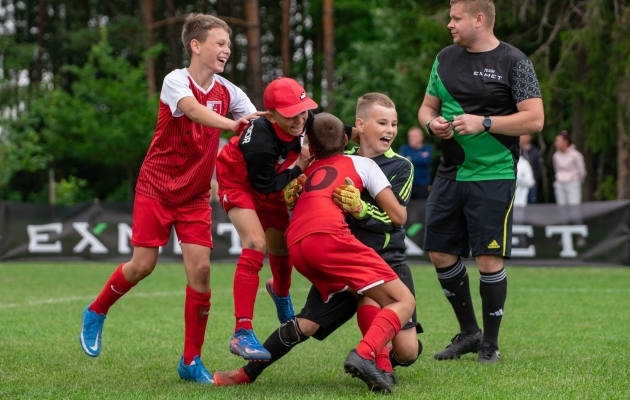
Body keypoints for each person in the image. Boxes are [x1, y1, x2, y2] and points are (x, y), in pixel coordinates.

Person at [78, 13, 262, 385]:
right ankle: (96, 311)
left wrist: (300, 136)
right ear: (196, 46)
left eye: (229, 43)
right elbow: (193, 110)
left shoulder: (231, 93)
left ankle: (190, 361)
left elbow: (259, 124)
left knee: (202, 271)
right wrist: (230, 125)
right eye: (220, 43)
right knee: (143, 265)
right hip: (157, 188)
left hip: (194, 196)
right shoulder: (175, 80)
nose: (227, 49)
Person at [213, 93, 423, 391]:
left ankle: (382, 356)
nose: (389, 129)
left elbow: (396, 218)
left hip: (366, 253)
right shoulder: (353, 161)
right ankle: (371, 359)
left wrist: (358, 208)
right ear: (358, 127)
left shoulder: (398, 165)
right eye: (382, 122)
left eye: (394, 124)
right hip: (340, 250)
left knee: (406, 350)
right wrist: (294, 193)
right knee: (391, 300)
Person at [418, 0, 544, 364]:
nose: (449, 25)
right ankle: (469, 332)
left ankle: (490, 343)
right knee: (440, 252)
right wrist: (432, 124)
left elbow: (534, 120)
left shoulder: (515, 62)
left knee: (487, 259)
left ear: (479, 19)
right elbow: (427, 107)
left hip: (494, 174)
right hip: (451, 171)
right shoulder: (445, 57)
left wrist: (484, 122)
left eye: (455, 18)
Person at [215, 77, 317, 362]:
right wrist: (298, 168)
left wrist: (367, 133)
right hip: (239, 183)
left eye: (303, 110)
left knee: (283, 249)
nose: (299, 119)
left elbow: (337, 132)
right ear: (270, 115)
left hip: (270, 181)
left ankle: (280, 292)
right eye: (290, 114)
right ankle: (242, 332)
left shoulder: (304, 118)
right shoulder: (259, 141)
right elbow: (264, 184)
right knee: (256, 243)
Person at [398, 126, 433, 199]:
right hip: (406, 185)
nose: (411, 138)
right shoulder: (404, 148)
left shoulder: (427, 148)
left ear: (421, 137)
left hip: (422, 185)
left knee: (421, 207)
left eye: (414, 136)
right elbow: (403, 163)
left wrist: (410, 158)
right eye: (409, 136)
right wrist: (419, 158)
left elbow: (426, 161)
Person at [553, 130, 586, 205]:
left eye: (558, 141)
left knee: (574, 209)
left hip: (573, 184)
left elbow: (582, 171)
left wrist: (576, 181)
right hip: (560, 184)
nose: (556, 143)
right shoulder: (556, 156)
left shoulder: (576, 155)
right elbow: (556, 169)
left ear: (565, 142)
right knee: (562, 208)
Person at [519, 134, 543, 203]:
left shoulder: (535, 152)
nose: (521, 137)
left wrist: (533, 179)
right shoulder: (516, 150)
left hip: (531, 184)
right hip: (519, 185)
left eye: (524, 135)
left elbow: (539, 169)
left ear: (529, 137)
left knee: (531, 204)